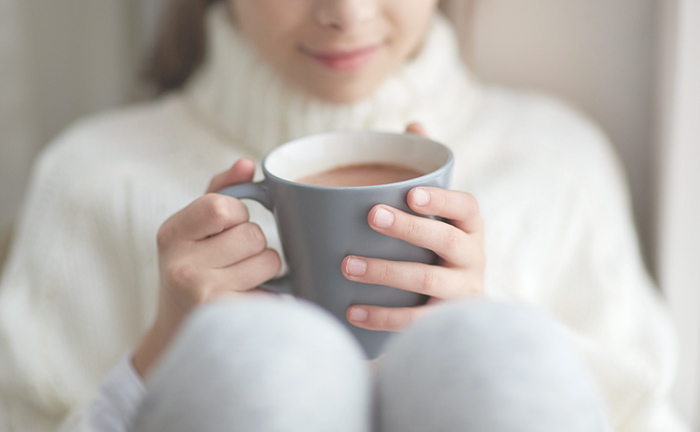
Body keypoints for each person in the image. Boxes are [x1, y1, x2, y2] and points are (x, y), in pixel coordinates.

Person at [0, 0, 687, 431]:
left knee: (492, 355)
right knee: (258, 365)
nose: (347, 12)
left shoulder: (556, 166)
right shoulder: (90, 178)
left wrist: (484, 329)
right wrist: (160, 358)